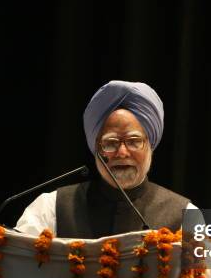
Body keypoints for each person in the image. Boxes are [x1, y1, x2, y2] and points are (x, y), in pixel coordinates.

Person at [16, 80, 196, 238]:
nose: (122, 152)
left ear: (151, 146)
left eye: (134, 141)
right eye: (110, 143)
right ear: (96, 149)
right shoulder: (51, 207)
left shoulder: (187, 215)